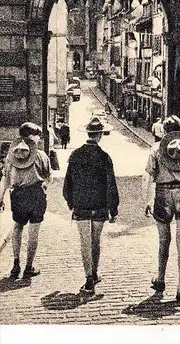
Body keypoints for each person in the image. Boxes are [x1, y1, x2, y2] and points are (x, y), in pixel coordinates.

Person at [144, 115, 180, 304]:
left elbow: (147, 177)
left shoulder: (156, 149)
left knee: (164, 241)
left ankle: (161, 279)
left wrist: (147, 200)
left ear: (165, 132)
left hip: (162, 194)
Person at [63, 116, 119, 295]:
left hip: (81, 206)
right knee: (96, 241)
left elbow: (67, 184)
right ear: (100, 135)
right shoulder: (104, 157)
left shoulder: (75, 155)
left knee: (84, 242)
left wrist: (71, 202)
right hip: (100, 207)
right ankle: (94, 273)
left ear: (87, 133)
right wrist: (113, 209)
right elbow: (111, 185)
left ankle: (88, 278)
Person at [0, 122, 52, 279]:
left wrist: (1, 197)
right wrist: (44, 186)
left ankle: (16, 264)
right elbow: (49, 177)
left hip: (17, 196)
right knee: (33, 231)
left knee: (17, 228)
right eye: (37, 135)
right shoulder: (41, 155)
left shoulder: (10, 157)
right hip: (36, 195)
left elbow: (5, 180)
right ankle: (29, 267)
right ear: (31, 137)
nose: (38, 139)